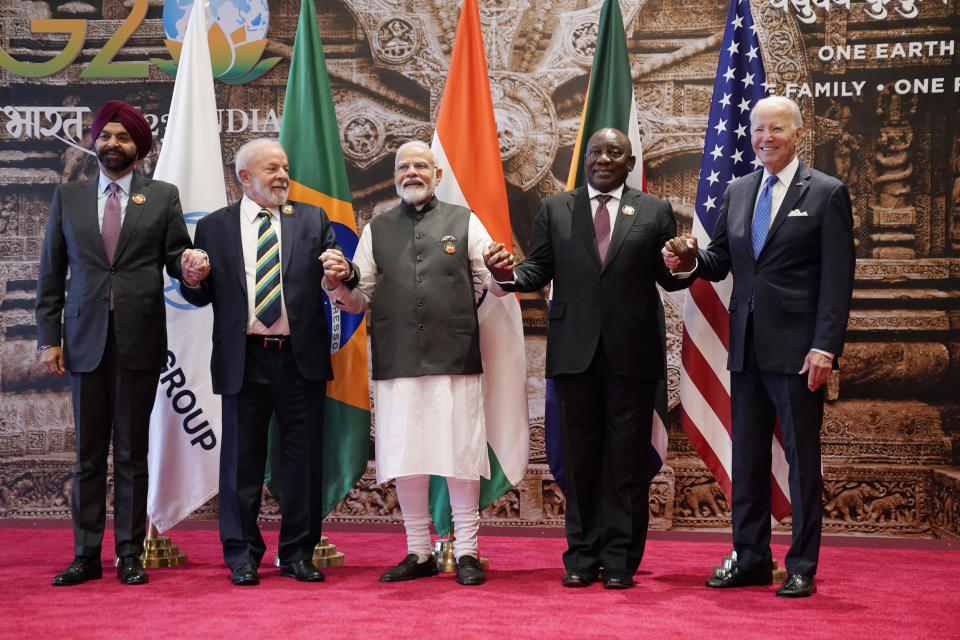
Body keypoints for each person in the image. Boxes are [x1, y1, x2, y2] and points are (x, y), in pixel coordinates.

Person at [662, 96, 855, 598]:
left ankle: (801, 565)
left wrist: (825, 347)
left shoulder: (828, 193)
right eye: (758, 130)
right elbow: (721, 261)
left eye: (776, 129)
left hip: (798, 353)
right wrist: (687, 259)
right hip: (744, 348)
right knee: (746, 458)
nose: (765, 138)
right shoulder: (740, 189)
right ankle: (749, 556)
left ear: (796, 133)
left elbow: (838, 280)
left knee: (800, 461)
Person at [485, 127, 691, 589]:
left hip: (632, 356)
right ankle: (580, 555)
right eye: (595, 151)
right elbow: (538, 268)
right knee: (579, 461)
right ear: (586, 160)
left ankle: (618, 558)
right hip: (574, 354)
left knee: (624, 460)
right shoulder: (556, 208)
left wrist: (686, 264)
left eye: (613, 153)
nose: (602, 159)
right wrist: (507, 274)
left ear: (630, 162)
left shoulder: (654, 211)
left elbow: (670, 278)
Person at [36, 100, 209, 586]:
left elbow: (177, 258)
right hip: (84, 341)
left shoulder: (162, 197)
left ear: (140, 147)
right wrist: (50, 338)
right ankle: (85, 555)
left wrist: (191, 270)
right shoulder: (68, 197)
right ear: (95, 141)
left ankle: (129, 554)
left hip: (139, 339)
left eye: (123, 137)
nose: (113, 144)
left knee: (133, 454)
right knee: (88, 455)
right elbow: (51, 274)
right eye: (106, 136)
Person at [180, 138, 357, 586]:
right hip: (245, 358)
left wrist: (341, 271)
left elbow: (338, 273)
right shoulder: (214, 228)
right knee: (241, 462)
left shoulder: (312, 219)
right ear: (245, 178)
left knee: (303, 462)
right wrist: (192, 279)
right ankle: (241, 555)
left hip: (299, 360)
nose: (283, 176)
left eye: (285, 167)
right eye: (273, 169)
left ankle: (297, 553)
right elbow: (199, 294)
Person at [322, 140, 499, 586]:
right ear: (394, 175)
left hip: (454, 356)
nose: (412, 172)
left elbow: (494, 285)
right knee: (407, 456)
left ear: (437, 175)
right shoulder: (376, 229)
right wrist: (335, 285)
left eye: (421, 165)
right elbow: (359, 299)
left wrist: (503, 268)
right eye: (404, 166)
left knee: (460, 454)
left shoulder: (464, 221)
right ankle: (418, 551)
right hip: (397, 359)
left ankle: (467, 552)